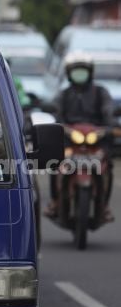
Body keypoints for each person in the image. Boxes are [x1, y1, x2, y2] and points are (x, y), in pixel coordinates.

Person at [44, 52, 117, 220]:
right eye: (76, 70)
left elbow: (109, 114)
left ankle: (104, 206)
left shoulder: (101, 93)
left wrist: (109, 127)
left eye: (83, 70)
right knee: (55, 164)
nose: (79, 74)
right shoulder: (63, 94)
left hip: (96, 141)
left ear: (90, 72)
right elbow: (56, 114)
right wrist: (59, 126)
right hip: (69, 140)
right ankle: (55, 202)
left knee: (108, 165)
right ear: (69, 73)